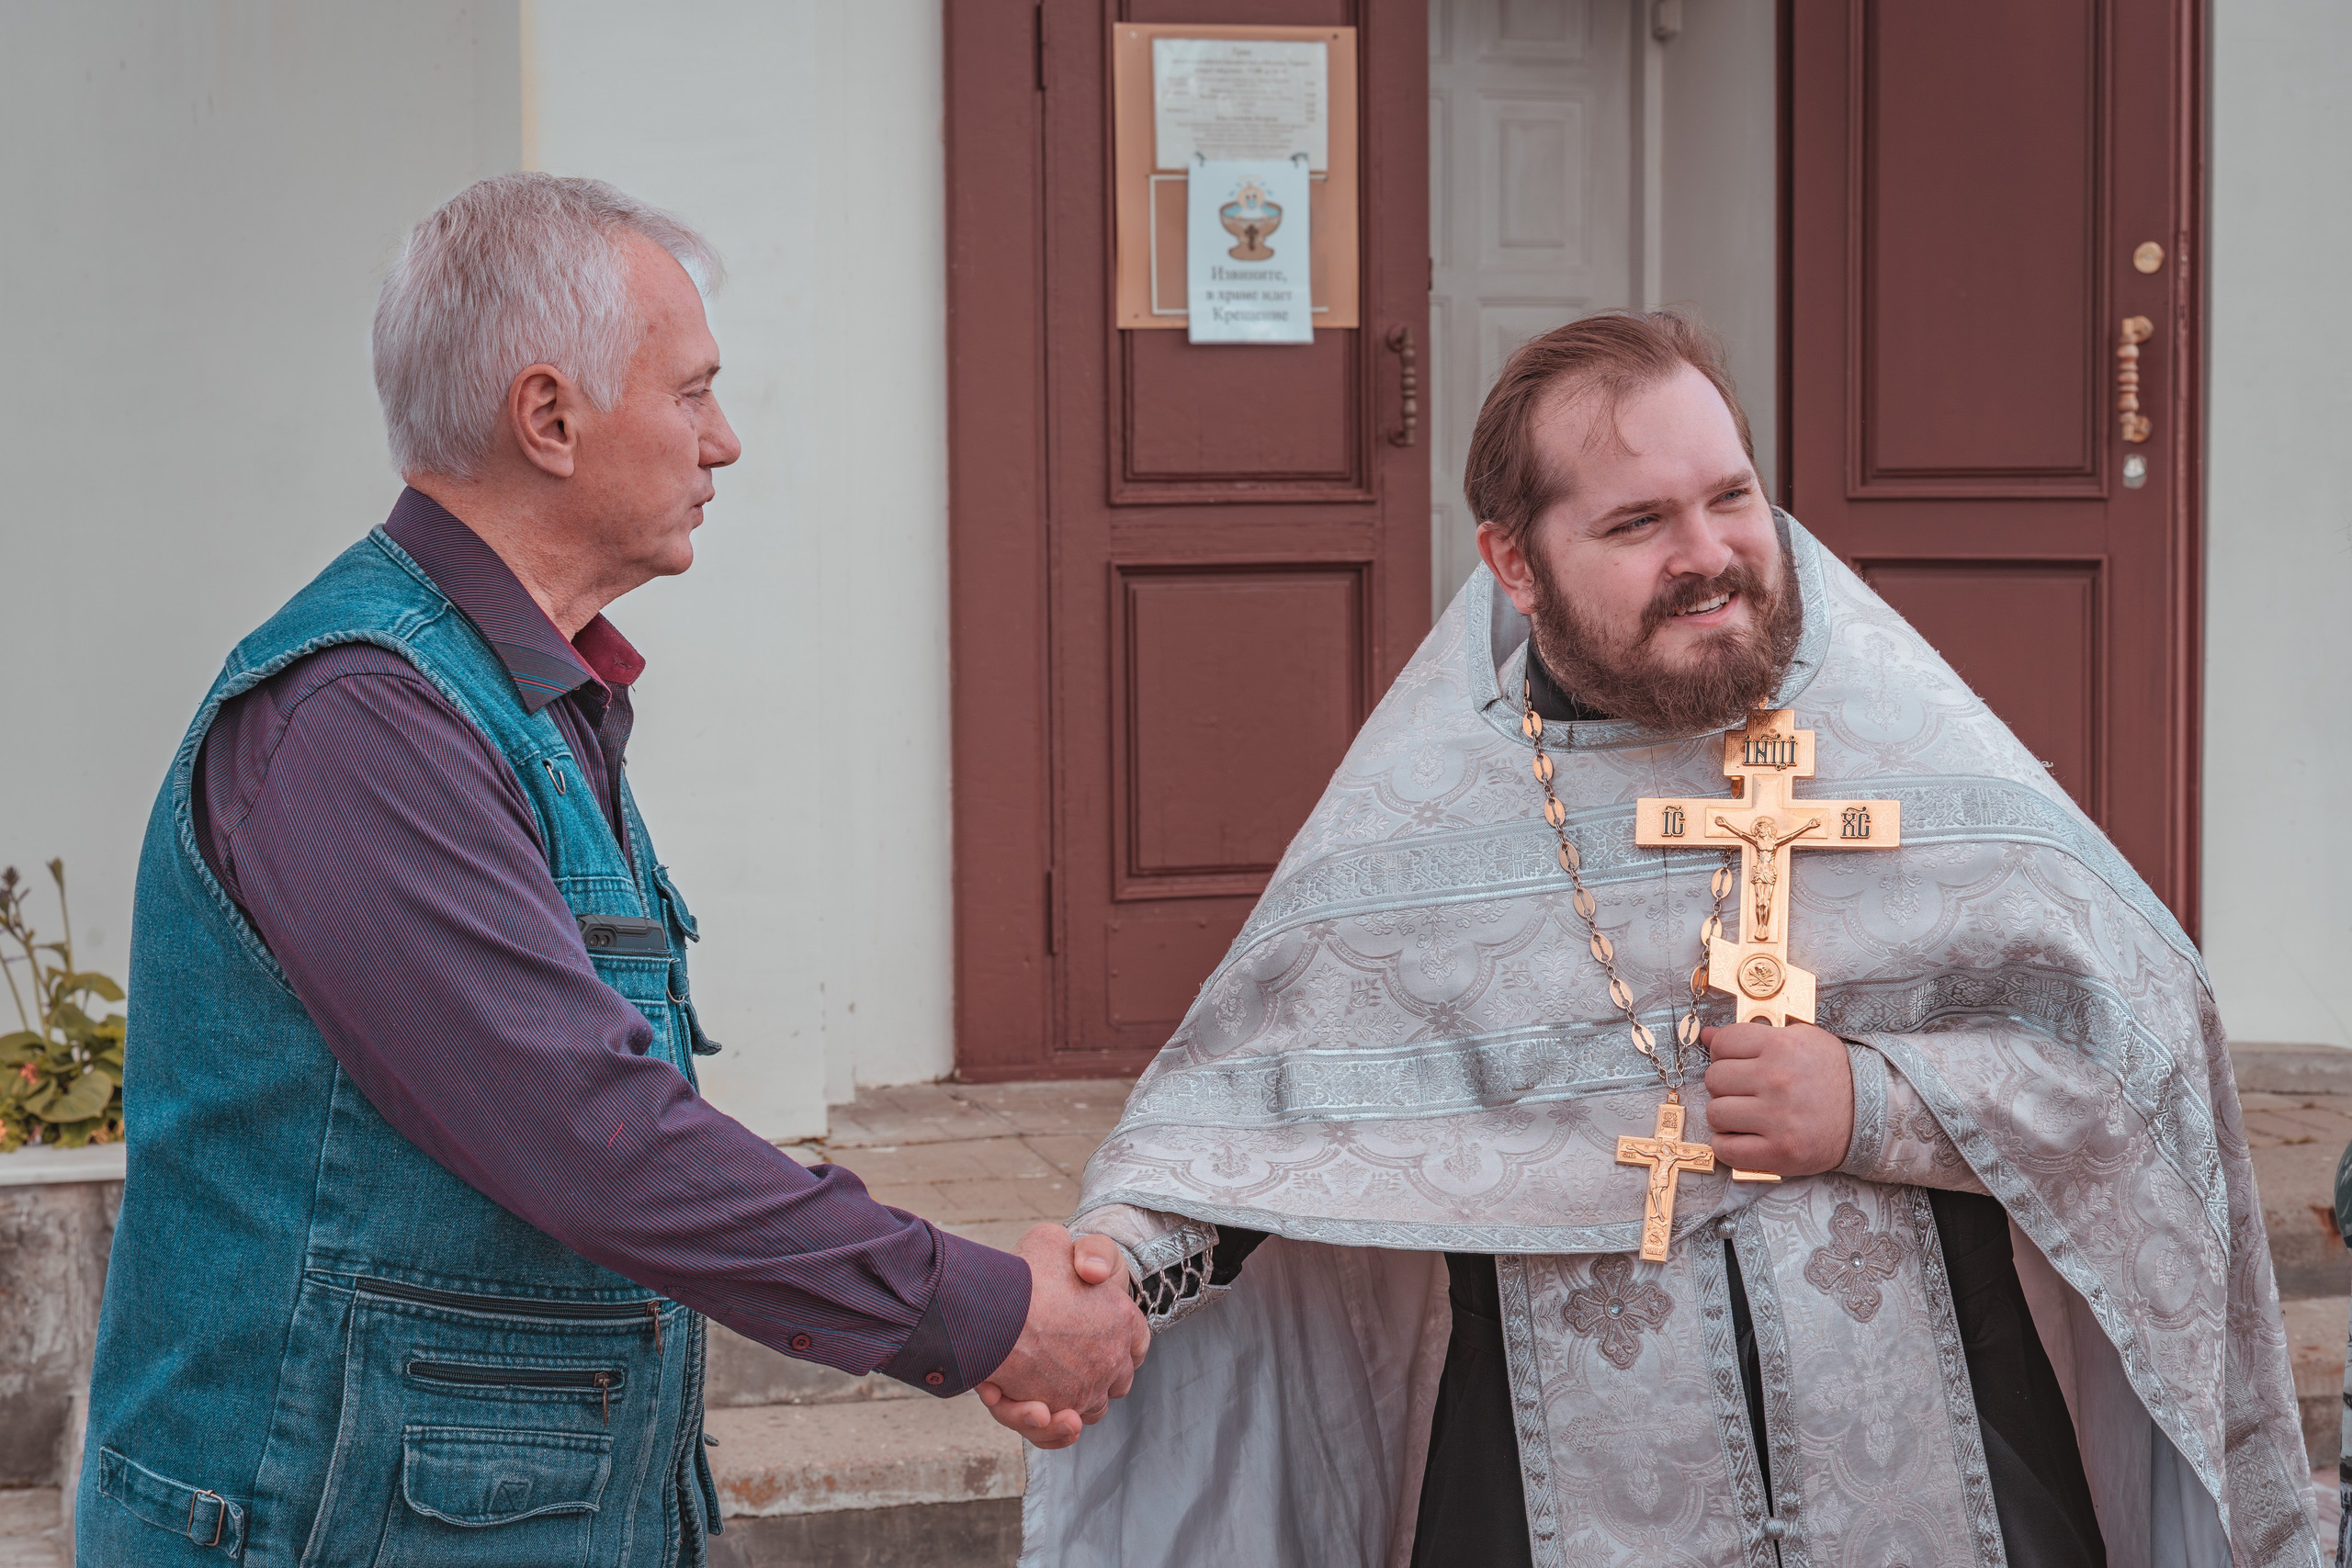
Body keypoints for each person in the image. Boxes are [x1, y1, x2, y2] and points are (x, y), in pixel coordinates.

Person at [1013, 312, 2319, 1568]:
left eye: (1733, 498)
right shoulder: (1418, 831)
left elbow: (2139, 1068)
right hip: (1541, 1498)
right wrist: (1110, 1273)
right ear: (1514, 564)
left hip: (1950, 1467)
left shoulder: (1927, 774)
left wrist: (1871, 1104)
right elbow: (1261, 1117)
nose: (1711, 553)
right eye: (1639, 522)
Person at [76, 174, 1144, 1567]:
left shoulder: (511, 697)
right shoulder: (361, 719)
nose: (727, 441)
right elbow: (590, 1130)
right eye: (693, 392)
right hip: (327, 1523)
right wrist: (979, 1307)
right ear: (550, 418)